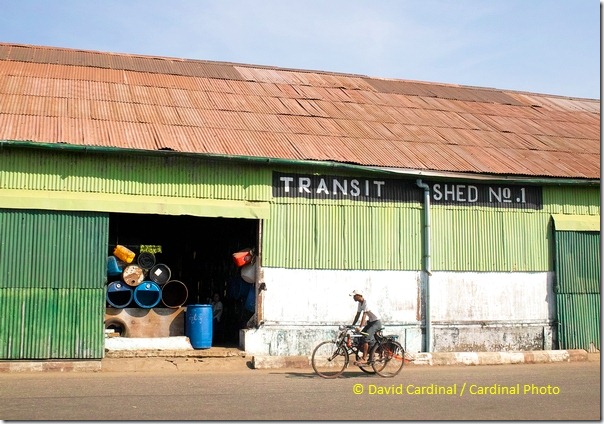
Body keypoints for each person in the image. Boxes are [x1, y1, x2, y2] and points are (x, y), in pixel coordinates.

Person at [349, 289, 382, 365]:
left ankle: (364, 358)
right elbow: (357, 315)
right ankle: (371, 353)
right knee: (361, 336)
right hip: (371, 322)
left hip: (376, 322)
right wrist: (352, 325)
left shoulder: (366, 302)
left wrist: (360, 327)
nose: (353, 298)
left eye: (354, 296)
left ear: (358, 295)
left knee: (366, 338)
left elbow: (364, 315)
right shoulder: (360, 304)